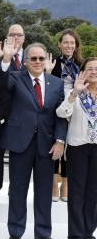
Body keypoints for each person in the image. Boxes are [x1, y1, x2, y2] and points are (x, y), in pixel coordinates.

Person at [0, 38, 67, 239]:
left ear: (46, 61)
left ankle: (43, 232)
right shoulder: (16, 78)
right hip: (21, 143)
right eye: (33, 58)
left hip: (47, 144)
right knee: (18, 190)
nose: (37, 61)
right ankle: (16, 231)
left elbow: (61, 116)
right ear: (25, 61)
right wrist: (6, 58)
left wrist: (60, 141)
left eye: (41, 58)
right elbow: (0, 86)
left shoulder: (57, 83)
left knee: (44, 191)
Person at [56, 57, 97, 239]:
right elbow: (61, 113)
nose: (94, 71)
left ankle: (89, 232)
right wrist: (74, 92)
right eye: (90, 68)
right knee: (77, 191)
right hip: (77, 147)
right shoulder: (74, 90)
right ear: (82, 71)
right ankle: (75, 233)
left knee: (93, 192)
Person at [0, 24, 26, 200]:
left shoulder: (30, 58)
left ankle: (15, 187)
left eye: (19, 34)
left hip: (22, 112)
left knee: (19, 153)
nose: (15, 37)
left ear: (24, 38)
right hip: (0, 111)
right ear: (7, 36)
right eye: (12, 34)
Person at [49, 29, 83, 202]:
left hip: (75, 110)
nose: (69, 46)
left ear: (76, 46)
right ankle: (54, 184)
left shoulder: (81, 65)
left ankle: (66, 185)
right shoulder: (51, 63)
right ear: (59, 44)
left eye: (72, 43)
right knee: (55, 145)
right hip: (54, 109)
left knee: (71, 148)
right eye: (66, 42)